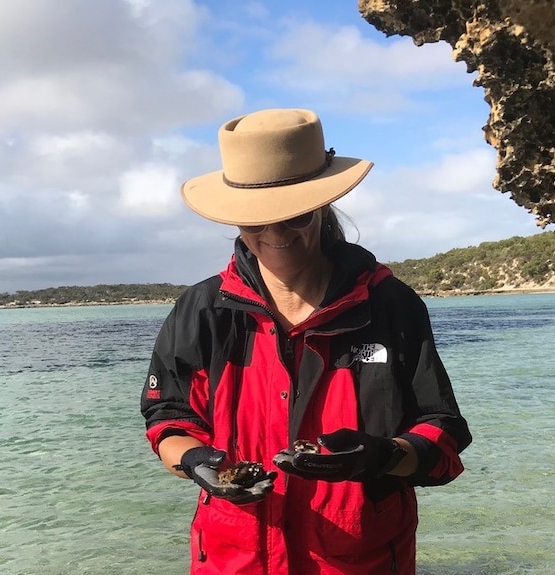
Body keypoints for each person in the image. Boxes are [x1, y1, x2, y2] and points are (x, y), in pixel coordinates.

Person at [140, 108, 472, 575]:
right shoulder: (201, 311)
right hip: (233, 559)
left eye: (294, 216)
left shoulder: (390, 305)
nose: (275, 234)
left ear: (322, 206)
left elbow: (442, 433)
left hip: (364, 561)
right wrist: (197, 463)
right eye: (255, 221)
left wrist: (382, 457)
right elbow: (168, 418)